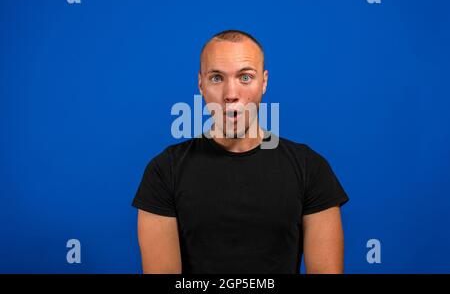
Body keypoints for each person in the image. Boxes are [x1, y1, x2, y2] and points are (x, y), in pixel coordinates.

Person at [132, 30, 349, 274]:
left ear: (264, 82)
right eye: (216, 78)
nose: (231, 95)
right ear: (200, 84)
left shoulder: (310, 168)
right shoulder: (164, 172)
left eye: (245, 77)